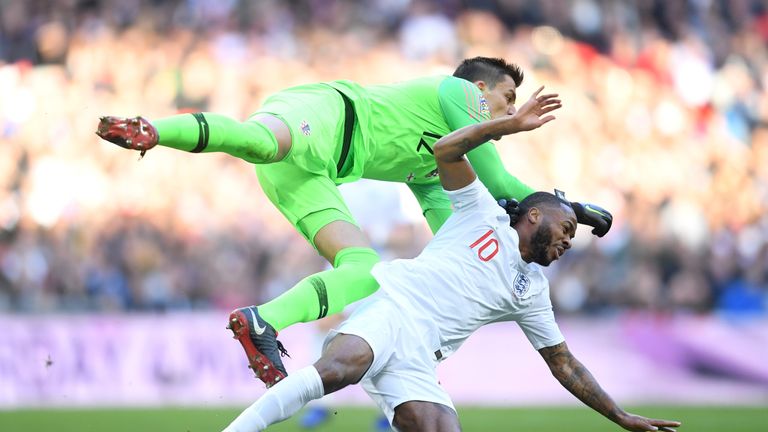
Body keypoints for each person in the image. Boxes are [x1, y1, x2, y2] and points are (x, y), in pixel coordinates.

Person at [96, 57, 612, 387]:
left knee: (364, 267)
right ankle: (152, 130)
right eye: (506, 100)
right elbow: (499, 180)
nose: (509, 111)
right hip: (323, 115)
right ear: (481, 89)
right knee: (260, 141)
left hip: (313, 174)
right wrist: (576, 206)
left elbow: (459, 235)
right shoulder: (457, 92)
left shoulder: (433, 172)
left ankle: (263, 320)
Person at [219, 96, 681, 432]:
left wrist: (619, 416)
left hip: (422, 356)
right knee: (341, 368)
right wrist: (506, 126)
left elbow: (564, 364)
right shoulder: (481, 212)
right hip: (393, 309)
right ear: (533, 215)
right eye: (565, 231)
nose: (566, 243)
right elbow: (446, 151)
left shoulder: (533, 292)